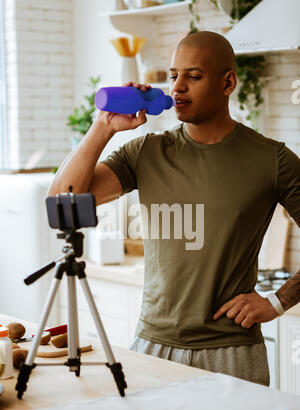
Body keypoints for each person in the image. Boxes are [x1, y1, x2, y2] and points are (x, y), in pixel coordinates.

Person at [49, 31, 300, 387]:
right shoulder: (146, 152)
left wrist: (276, 302)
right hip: (151, 343)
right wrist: (103, 126)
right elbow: (63, 200)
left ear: (227, 82)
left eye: (193, 77)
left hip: (231, 352)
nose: (177, 87)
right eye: (173, 76)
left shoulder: (271, 159)